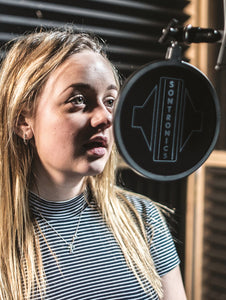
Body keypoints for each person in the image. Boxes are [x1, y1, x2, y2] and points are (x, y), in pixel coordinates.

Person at [0, 29, 187, 299]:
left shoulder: (143, 220)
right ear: (23, 121)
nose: (105, 118)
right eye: (78, 100)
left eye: (110, 101)